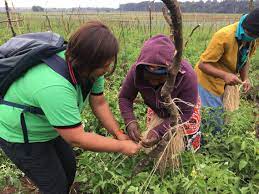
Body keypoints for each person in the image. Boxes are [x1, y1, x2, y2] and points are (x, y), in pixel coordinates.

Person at [0, 21, 140, 194]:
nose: (107, 69)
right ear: (87, 61)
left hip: (51, 126)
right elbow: (77, 138)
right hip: (21, 135)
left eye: (109, 63)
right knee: (55, 187)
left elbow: (99, 102)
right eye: (104, 66)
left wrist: (118, 134)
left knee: (69, 170)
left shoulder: (91, 68)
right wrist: (121, 147)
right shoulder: (54, 85)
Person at [119, 34, 201, 151]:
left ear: (171, 74)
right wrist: (130, 121)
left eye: (159, 80)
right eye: (149, 78)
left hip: (183, 113)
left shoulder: (187, 76)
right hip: (157, 109)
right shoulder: (137, 71)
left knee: (183, 151)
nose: (153, 82)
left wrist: (159, 131)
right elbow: (125, 97)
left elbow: (185, 113)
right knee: (153, 146)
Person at [194, 8, 259, 133]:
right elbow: (203, 64)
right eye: (247, 33)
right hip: (208, 81)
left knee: (223, 117)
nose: (248, 36)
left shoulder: (254, 39)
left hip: (225, 82)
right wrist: (225, 75)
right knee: (213, 121)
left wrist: (245, 78)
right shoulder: (224, 36)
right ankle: (206, 148)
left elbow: (245, 58)